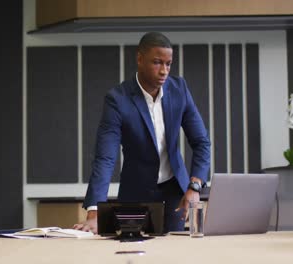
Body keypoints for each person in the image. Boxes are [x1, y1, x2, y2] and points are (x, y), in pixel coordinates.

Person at [73, 32, 210, 234]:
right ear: (139, 59)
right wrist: (94, 211)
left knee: (174, 252)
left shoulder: (179, 89)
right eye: (157, 62)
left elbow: (201, 142)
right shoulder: (117, 99)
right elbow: (105, 158)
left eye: (168, 64)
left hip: (174, 193)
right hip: (135, 194)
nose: (164, 71)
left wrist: (195, 186)